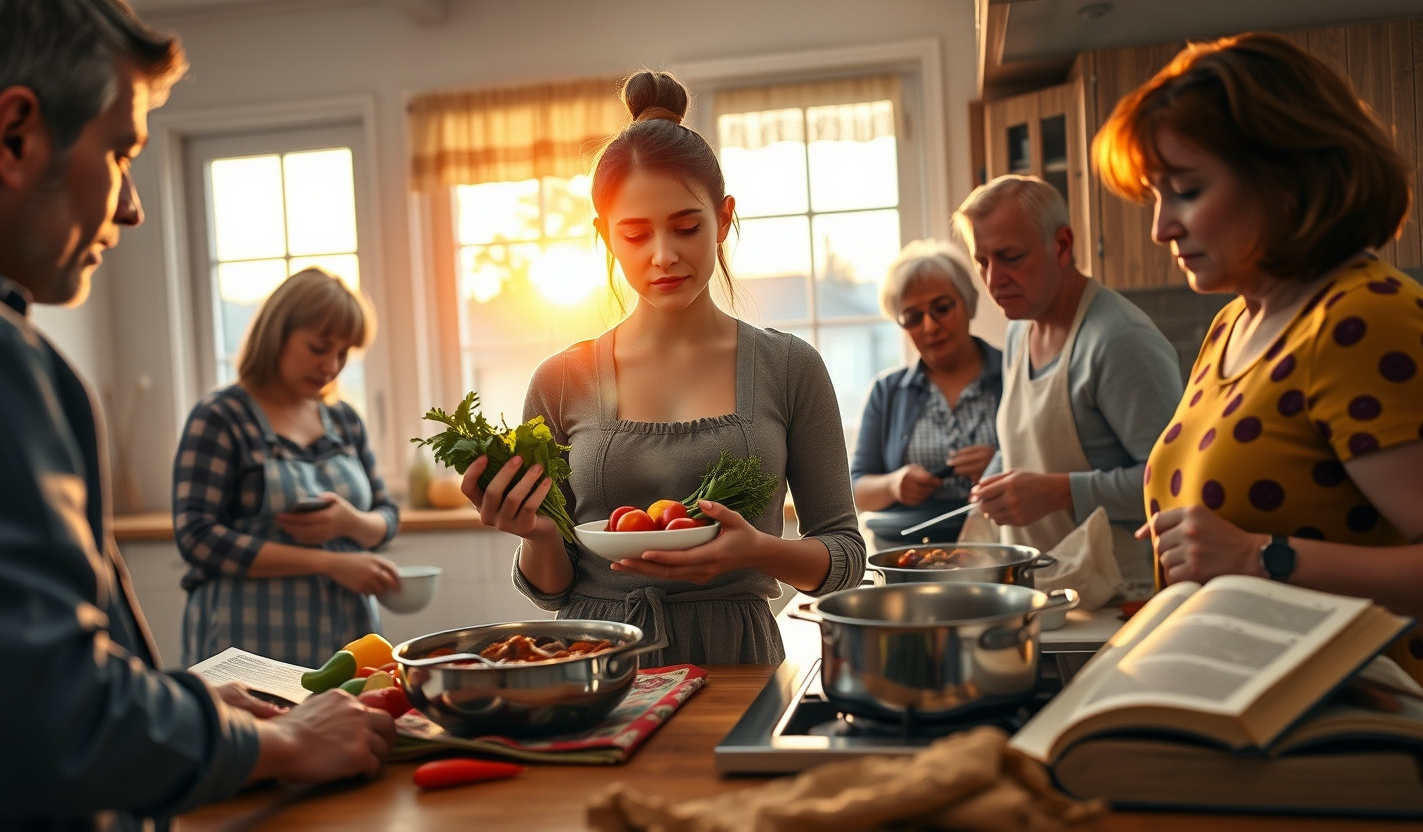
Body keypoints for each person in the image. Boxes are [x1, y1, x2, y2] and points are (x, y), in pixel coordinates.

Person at [0, 3, 395, 828]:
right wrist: (279, 746)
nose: (131, 209)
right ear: (14, 137)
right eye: (120, 152)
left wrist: (177, 700)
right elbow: (57, 723)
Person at [461, 70, 865, 667]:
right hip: (594, 662)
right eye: (634, 234)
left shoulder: (789, 368)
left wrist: (757, 551)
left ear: (724, 219)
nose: (663, 255)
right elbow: (551, 590)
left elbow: (845, 557)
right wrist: (536, 532)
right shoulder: (559, 381)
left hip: (737, 658)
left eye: (686, 227)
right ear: (604, 236)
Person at [1090, 33, 1423, 674]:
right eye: (1157, 196)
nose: (1162, 227)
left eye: (1186, 190)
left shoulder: (1360, 317)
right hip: (1244, 709)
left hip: (1356, 732)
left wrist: (1258, 558)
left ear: (1286, 183)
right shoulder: (1233, 323)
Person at [954, 175, 1184, 594]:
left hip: (1117, 599)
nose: (993, 280)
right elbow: (1021, 442)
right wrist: (989, 486)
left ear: (1062, 245)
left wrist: (1061, 492)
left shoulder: (1119, 340)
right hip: (1042, 591)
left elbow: (1176, 484)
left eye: (1010, 257)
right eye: (982, 262)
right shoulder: (1019, 331)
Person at [174, 267, 401, 668]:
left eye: (343, 353)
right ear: (277, 334)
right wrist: (329, 563)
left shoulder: (345, 420)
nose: (331, 366)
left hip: (347, 634)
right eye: (319, 348)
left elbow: (387, 515)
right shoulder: (221, 416)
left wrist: (351, 523)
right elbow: (197, 537)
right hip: (243, 639)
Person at [851, 239, 1001, 548]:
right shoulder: (887, 392)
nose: (930, 326)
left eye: (942, 308)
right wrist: (894, 485)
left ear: (969, 303)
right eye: (913, 317)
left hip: (1000, 548)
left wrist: (1001, 464)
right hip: (909, 557)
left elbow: (1054, 466)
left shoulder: (1015, 374)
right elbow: (856, 487)